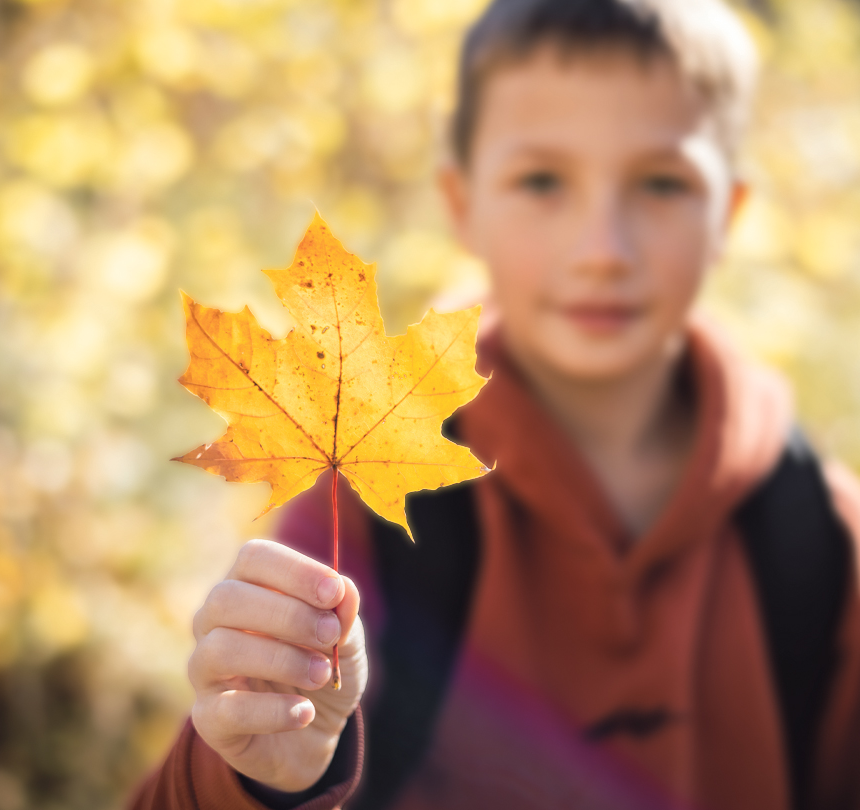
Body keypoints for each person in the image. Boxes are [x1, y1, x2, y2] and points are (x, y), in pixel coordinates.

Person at [132, 0, 860, 808]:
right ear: (461, 202)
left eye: (661, 183)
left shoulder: (823, 545)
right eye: (542, 181)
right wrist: (257, 779)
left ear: (729, 214)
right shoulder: (368, 515)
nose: (602, 250)